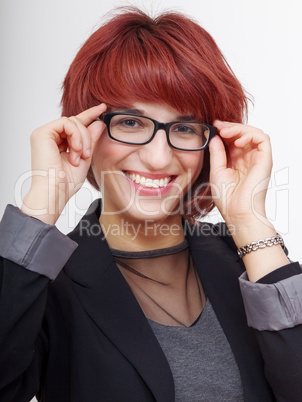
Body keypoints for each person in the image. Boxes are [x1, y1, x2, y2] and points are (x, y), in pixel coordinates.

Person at [0, 7, 301, 402]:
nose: (159, 158)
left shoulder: (244, 260)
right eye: (129, 122)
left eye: (186, 128)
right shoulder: (46, 282)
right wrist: (42, 203)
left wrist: (249, 220)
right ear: (84, 128)